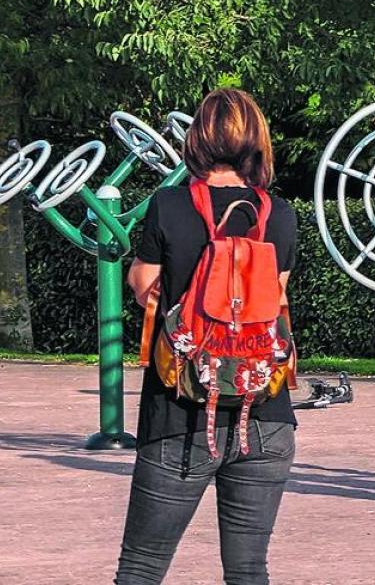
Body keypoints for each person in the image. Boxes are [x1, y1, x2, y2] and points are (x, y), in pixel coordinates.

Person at [115, 88, 298, 585]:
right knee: (247, 571)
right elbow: (274, 297)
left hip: (181, 413)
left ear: (196, 138)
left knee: (141, 570)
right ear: (256, 141)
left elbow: (143, 288)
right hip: (265, 416)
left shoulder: (169, 205)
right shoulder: (277, 213)